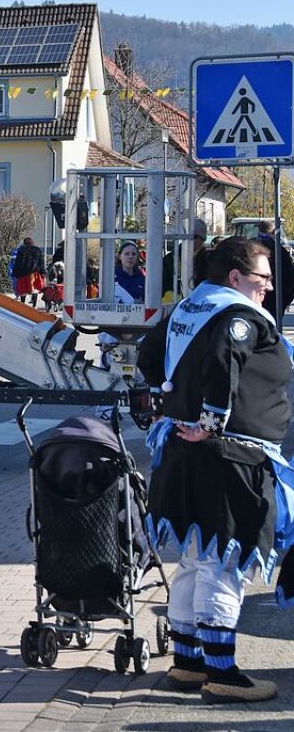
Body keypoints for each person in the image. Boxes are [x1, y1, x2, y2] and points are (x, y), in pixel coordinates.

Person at [137, 236, 293, 702]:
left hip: (187, 454)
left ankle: (188, 664)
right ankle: (223, 674)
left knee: (194, 557)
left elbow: (148, 359)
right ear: (235, 278)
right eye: (263, 278)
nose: (268, 287)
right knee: (225, 561)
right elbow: (226, 361)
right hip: (229, 457)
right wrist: (209, 422)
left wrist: (175, 404)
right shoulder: (238, 317)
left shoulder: (188, 308)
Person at [162, 218, 207, 301]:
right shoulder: (170, 260)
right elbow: (162, 287)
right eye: (186, 236)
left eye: (194, 237)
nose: (189, 240)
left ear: (202, 239)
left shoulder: (209, 259)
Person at [257, 219, 294, 319]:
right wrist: (287, 298)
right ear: (274, 232)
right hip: (275, 299)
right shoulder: (279, 251)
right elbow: (289, 276)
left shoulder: (250, 247)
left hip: (253, 295)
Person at [11, 237, 44, 307]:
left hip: (23, 273)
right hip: (34, 273)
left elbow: (18, 263)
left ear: (24, 243)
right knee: (34, 289)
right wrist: (42, 271)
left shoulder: (21, 250)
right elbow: (41, 262)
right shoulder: (37, 250)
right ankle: (34, 305)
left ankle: (23, 305)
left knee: (23, 289)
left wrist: (15, 272)